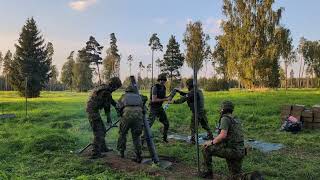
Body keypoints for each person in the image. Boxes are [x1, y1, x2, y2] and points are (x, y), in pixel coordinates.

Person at [200, 101, 245, 178]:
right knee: (236, 176)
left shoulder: (225, 118)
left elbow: (223, 135)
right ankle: (252, 177)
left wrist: (211, 142)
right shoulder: (235, 118)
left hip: (232, 150)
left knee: (206, 148)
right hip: (240, 150)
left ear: (223, 109)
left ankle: (208, 173)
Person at [86, 77, 122, 159]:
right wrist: (109, 119)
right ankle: (95, 153)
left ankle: (103, 148)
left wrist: (117, 106)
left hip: (93, 110)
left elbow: (111, 100)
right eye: (116, 87)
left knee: (102, 130)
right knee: (99, 132)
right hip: (93, 111)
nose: (116, 89)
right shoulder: (106, 92)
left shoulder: (105, 88)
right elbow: (107, 107)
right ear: (114, 85)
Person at [171, 78, 213, 144]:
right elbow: (188, 95)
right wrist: (179, 92)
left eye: (187, 85)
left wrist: (172, 101)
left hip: (197, 112)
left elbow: (183, 99)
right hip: (202, 111)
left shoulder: (193, 92)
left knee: (193, 126)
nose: (186, 86)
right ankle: (210, 135)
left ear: (189, 85)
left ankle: (193, 140)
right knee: (205, 124)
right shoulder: (198, 91)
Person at [117, 85, 146, 163]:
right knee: (136, 136)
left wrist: (120, 115)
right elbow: (144, 109)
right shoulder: (139, 97)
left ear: (126, 91)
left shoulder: (123, 96)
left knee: (122, 134)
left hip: (126, 115)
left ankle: (121, 152)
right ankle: (138, 155)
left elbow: (118, 107)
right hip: (138, 115)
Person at [148, 73, 171, 143]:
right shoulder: (155, 87)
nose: (162, 81)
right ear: (159, 80)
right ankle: (142, 140)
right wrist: (165, 99)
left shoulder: (163, 87)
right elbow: (154, 99)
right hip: (153, 108)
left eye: (164, 80)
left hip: (160, 108)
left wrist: (168, 97)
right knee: (148, 125)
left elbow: (162, 97)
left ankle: (164, 138)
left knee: (166, 123)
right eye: (161, 80)